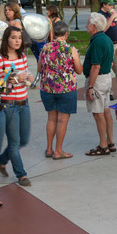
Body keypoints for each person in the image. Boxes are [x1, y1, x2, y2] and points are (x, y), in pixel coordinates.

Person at [0, 26, 34, 186]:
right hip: (8, 105)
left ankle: (2, 160)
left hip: (24, 103)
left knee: (23, 140)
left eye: (19, 37)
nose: (17, 40)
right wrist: (14, 79)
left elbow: (26, 73)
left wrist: (28, 76)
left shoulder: (22, 56)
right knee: (14, 142)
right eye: (13, 37)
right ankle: (21, 174)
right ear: (6, 39)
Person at [37, 21, 83, 159]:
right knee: (62, 120)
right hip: (66, 89)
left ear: (54, 33)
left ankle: (49, 149)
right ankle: (58, 151)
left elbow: (39, 69)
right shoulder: (71, 49)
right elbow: (79, 70)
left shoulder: (45, 48)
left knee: (51, 118)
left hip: (47, 88)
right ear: (66, 33)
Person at [83, 13, 115, 155]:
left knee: (98, 113)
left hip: (98, 80)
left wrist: (90, 86)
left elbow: (95, 66)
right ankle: (110, 142)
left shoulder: (97, 41)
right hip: (107, 78)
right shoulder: (107, 39)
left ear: (94, 26)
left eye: (88, 24)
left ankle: (103, 145)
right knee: (106, 111)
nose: (86, 26)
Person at [98, 0, 117, 100]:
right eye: (109, 5)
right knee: (106, 69)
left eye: (112, 5)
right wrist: (111, 18)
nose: (111, 7)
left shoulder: (111, 13)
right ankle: (108, 92)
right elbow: (102, 30)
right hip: (105, 45)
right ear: (104, 4)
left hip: (115, 44)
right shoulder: (99, 15)